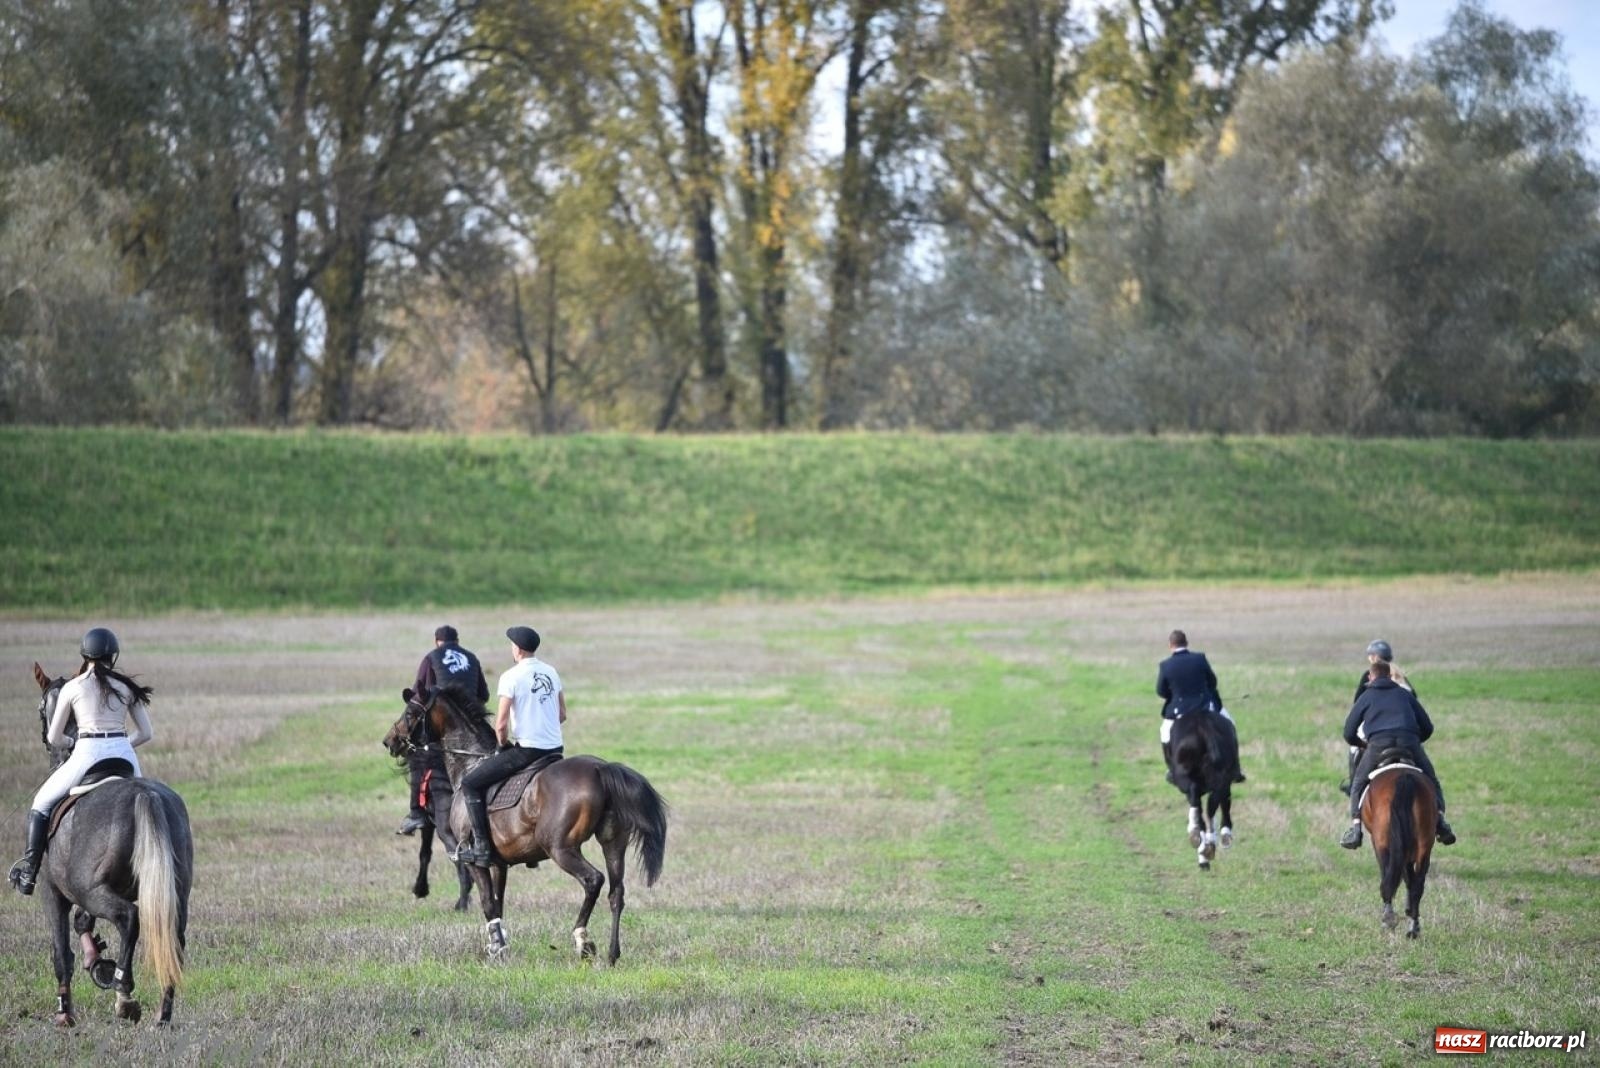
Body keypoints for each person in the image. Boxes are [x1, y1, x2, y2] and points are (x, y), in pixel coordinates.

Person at [9, 628, 154, 896]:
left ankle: (29, 872)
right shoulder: (125, 686)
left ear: (84, 656)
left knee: (40, 804)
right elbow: (146, 733)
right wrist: (120, 744)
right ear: (113, 656)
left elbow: (54, 737)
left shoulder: (73, 687)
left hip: (86, 755)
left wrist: (73, 744)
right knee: (148, 806)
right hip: (125, 757)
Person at [453, 626, 566, 867]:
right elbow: (562, 714)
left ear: (518, 649)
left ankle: (482, 847)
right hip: (556, 750)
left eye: (512, 645)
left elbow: (501, 725)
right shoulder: (551, 672)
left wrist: (502, 745)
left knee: (470, 784)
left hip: (527, 751)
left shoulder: (510, 677)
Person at [1340, 659, 1455, 848]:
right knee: (1432, 780)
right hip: (1409, 743)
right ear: (1389, 675)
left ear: (1371, 677)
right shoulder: (1404, 694)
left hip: (1377, 745)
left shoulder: (1366, 696)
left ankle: (1355, 829)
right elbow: (1427, 727)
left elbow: (1348, 732)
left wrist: (1363, 744)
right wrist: (1415, 741)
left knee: (1357, 784)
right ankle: (1441, 823)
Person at [398, 625, 489, 836]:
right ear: (457, 641)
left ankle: (416, 814)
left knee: (416, 759)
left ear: (436, 641)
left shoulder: (431, 658)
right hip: (474, 727)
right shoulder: (471, 658)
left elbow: (420, 694)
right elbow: (483, 695)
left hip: (444, 728)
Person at [1156, 630, 1245, 784]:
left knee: (1164, 732)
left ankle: (1172, 769)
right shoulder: (1200, 658)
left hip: (1179, 710)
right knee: (1230, 724)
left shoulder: (1165, 665)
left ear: (1170, 645)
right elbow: (1212, 681)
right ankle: (1235, 768)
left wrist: (1175, 695)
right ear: (1186, 643)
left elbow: (1161, 691)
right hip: (1205, 705)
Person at [1339, 639, 1415, 796]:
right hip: (1405, 732)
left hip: (1377, 732)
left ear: (1374, 657)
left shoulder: (1369, 675)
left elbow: (1357, 702)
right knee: (1428, 773)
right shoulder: (1402, 676)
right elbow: (1414, 699)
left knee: (1354, 750)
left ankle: (1353, 786)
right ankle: (1437, 801)